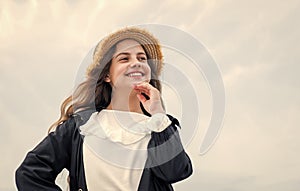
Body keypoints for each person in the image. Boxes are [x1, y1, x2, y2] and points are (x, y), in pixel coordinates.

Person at [15, 26, 193, 191]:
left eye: (142, 58)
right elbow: (30, 173)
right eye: (124, 58)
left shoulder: (160, 126)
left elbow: (176, 172)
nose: (136, 63)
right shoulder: (81, 127)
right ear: (107, 75)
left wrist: (158, 114)